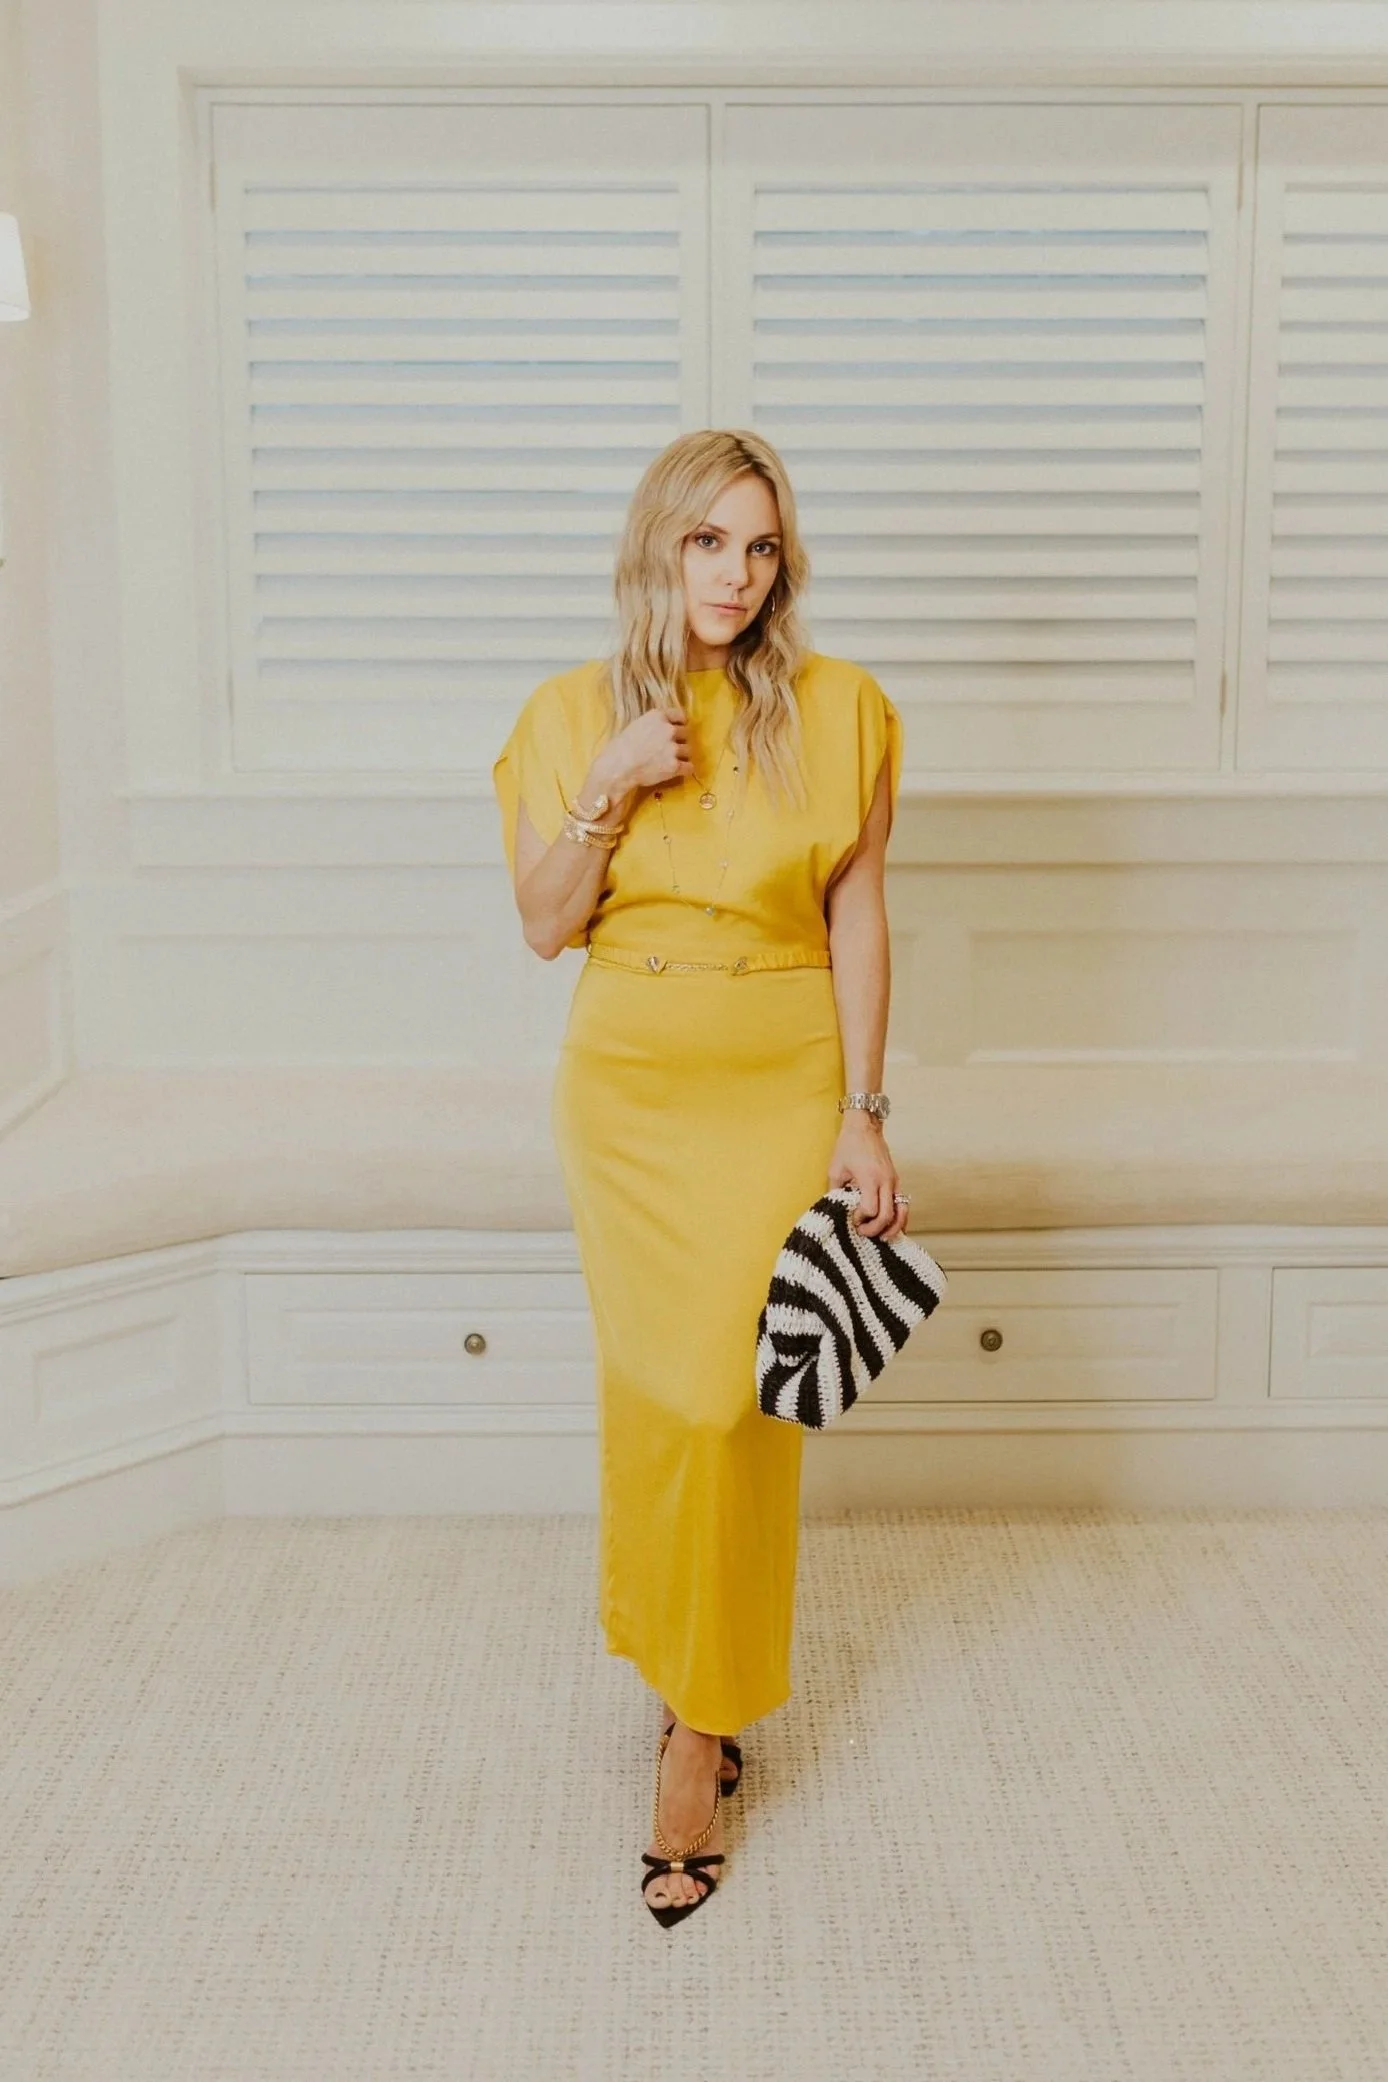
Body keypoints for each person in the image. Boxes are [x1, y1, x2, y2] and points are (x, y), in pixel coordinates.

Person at [491, 427, 908, 1928]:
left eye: (762, 546)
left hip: (781, 1076)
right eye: (708, 542)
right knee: (664, 1397)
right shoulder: (567, 713)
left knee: (738, 1400)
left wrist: (865, 1113)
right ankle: (687, 1686)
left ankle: (698, 1723)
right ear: (656, 546)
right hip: (630, 1091)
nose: (737, 575)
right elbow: (545, 923)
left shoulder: (847, 710)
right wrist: (609, 781)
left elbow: (859, 917)